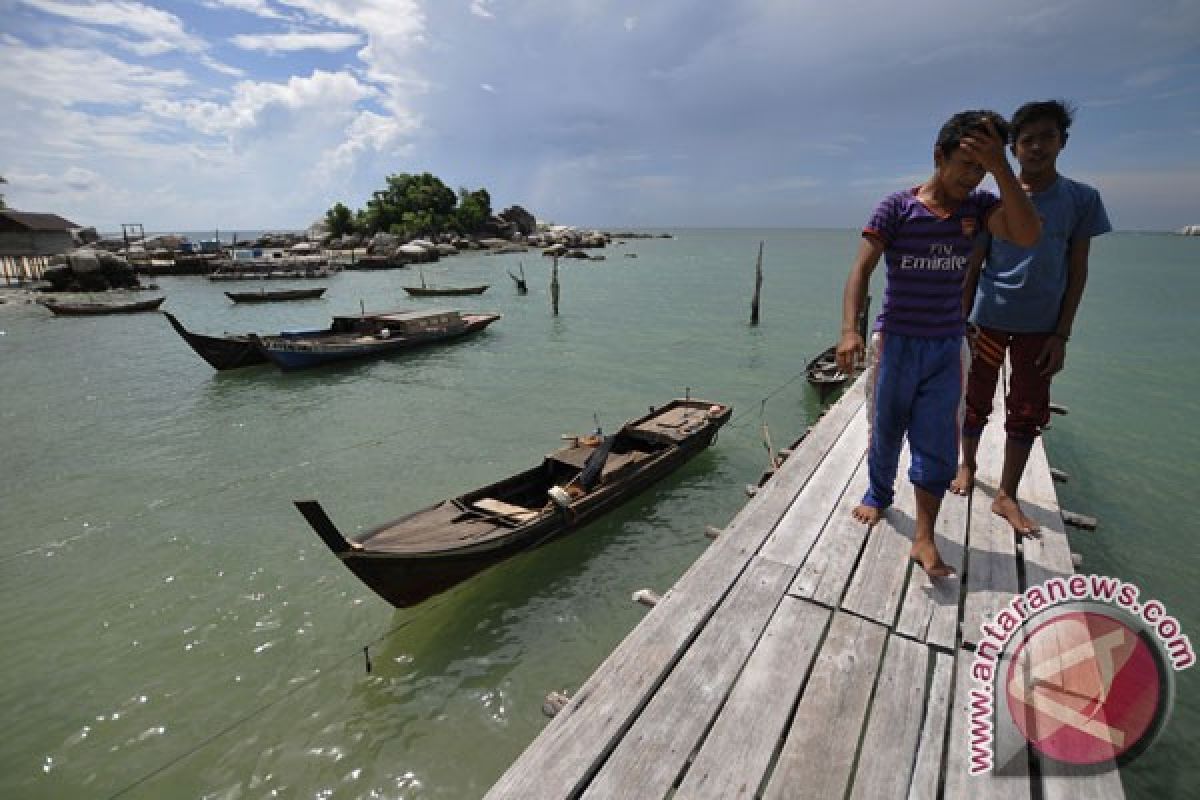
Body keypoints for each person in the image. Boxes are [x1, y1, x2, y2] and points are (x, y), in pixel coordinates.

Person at [836, 110, 1041, 578]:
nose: (974, 178)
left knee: (937, 442)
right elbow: (861, 270)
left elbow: (1028, 234)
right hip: (896, 342)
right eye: (967, 165)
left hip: (946, 346)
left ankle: (924, 536)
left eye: (982, 168)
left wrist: (1002, 169)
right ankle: (879, 492)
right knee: (886, 427)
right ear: (938, 155)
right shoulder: (896, 208)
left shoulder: (981, 207)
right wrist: (849, 329)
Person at [951, 100, 1111, 535]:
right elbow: (974, 263)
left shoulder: (1081, 199)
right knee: (974, 400)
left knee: (1026, 411)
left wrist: (1063, 333)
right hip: (988, 317)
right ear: (1013, 148)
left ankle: (1006, 494)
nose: (1037, 147)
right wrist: (959, 321)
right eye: (1027, 140)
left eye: (1047, 138)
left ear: (1063, 143)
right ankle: (966, 467)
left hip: (1041, 328)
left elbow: (1077, 270)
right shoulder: (991, 200)